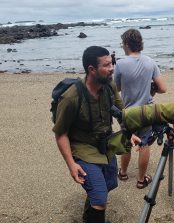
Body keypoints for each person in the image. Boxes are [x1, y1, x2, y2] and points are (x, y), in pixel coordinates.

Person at [53, 46, 140, 223]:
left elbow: (121, 112)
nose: (112, 68)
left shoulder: (110, 85)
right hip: (82, 148)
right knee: (100, 199)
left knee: (109, 184)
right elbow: (60, 133)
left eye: (112, 63)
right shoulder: (72, 97)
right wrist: (71, 165)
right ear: (92, 69)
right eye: (107, 65)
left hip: (106, 145)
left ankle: (89, 217)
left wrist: (128, 133)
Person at [114, 28, 167, 189]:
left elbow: (115, 89)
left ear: (127, 44)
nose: (122, 46)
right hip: (146, 111)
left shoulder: (120, 64)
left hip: (127, 111)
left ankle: (123, 173)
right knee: (144, 144)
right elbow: (163, 88)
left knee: (126, 141)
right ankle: (141, 179)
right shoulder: (150, 62)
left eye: (123, 43)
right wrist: (151, 90)